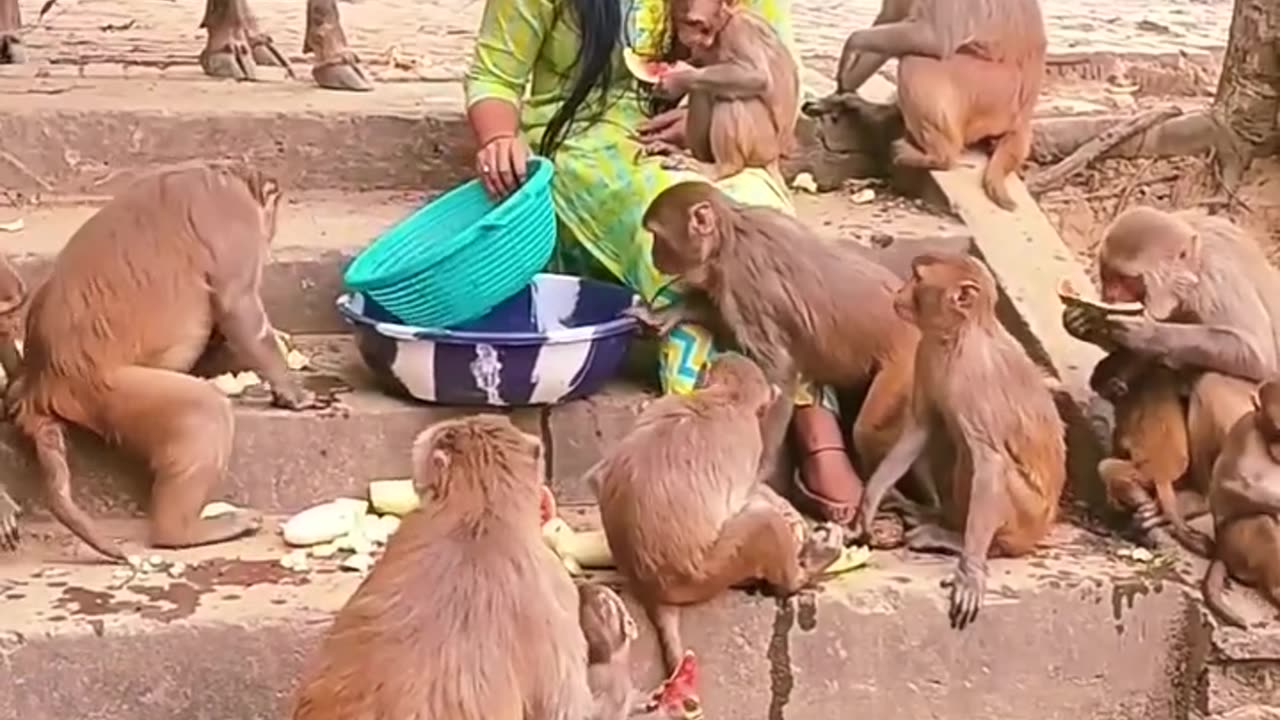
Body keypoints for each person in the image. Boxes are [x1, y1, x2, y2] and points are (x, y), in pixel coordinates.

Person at [463, 0, 863, 522]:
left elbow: (778, 75)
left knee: (757, 217)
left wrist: (703, 109)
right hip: (587, 137)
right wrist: (498, 139)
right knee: (677, 233)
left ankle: (813, 416)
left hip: (715, 136)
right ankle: (706, 450)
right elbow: (493, 76)